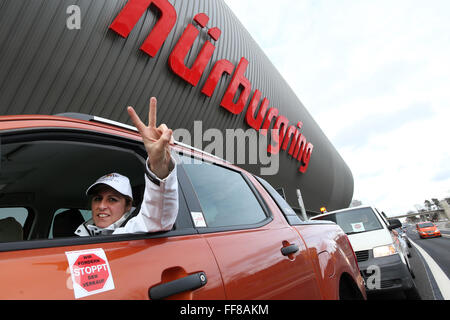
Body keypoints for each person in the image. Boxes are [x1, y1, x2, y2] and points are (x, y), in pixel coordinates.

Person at [75, 97, 178, 236]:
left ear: (128, 206)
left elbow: (157, 219)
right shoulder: (80, 235)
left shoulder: (129, 233)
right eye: (98, 199)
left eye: (112, 199)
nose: (101, 206)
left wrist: (159, 167)